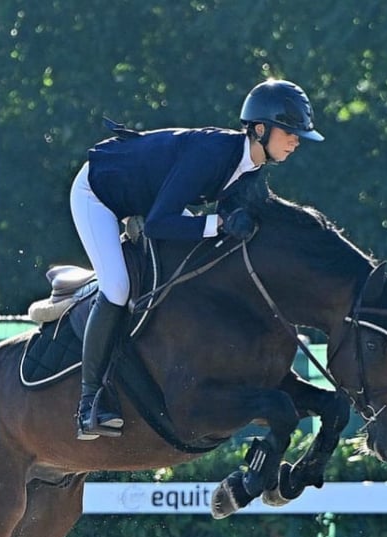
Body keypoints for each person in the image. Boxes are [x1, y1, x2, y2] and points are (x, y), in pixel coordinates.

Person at [69, 79, 324, 440]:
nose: (296, 141)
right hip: (99, 194)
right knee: (117, 285)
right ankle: (89, 400)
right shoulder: (212, 153)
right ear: (261, 129)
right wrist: (219, 223)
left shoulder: (250, 170)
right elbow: (159, 225)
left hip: (143, 198)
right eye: (291, 132)